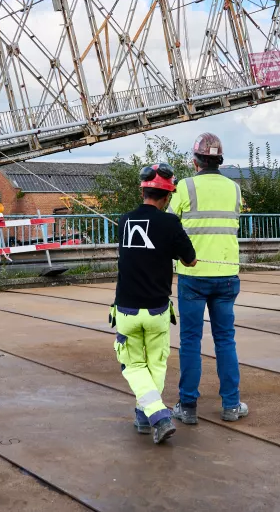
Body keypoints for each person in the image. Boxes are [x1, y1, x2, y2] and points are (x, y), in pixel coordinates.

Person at [112, 163, 197, 445]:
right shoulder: (170, 223)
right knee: (156, 365)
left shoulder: (125, 221)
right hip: (158, 310)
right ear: (167, 197)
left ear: (145, 191)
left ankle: (144, 415)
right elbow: (189, 259)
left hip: (125, 309)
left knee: (133, 365)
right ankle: (159, 416)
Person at [170, 132, 249, 425]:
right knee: (225, 341)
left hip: (193, 275)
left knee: (190, 341)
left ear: (195, 162)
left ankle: (187, 407)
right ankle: (231, 405)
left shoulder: (184, 186)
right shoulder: (235, 189)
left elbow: (169, 223)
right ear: (220, 161)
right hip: (227, 274)